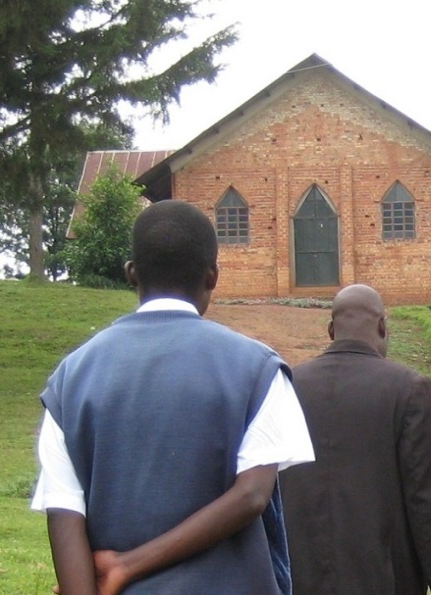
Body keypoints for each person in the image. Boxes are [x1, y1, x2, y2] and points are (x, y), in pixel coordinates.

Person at [31, 199, 314, 594]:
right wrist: (125, 567)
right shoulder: (259, 370)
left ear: (132, 273)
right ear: (213, 275)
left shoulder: (71, 378)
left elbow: (64, 509)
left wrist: (122, 570)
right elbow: (252, 495)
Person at [279, 284, 431, 595]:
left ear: (331, 330)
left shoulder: (288, 385)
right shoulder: (409, 389)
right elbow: (425, 500)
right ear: (382, 326)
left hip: (300, 575)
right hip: (385, 577)